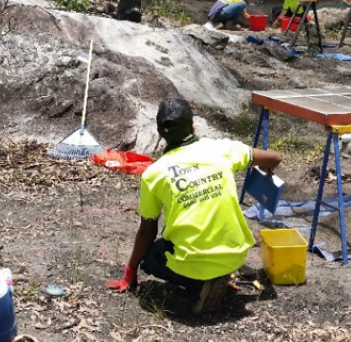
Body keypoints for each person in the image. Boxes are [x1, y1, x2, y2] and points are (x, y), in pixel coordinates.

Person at [105, 96, 282, 314]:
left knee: (150, 259)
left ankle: (199, 286)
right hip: (235, 256)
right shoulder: (222, 149)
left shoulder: (154, 174)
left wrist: (129, 274)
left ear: (160, 133)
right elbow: (274, 157)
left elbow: (147, 229)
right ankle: (219, 276)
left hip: (192, 260)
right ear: (192, 125)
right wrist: (265, 169)